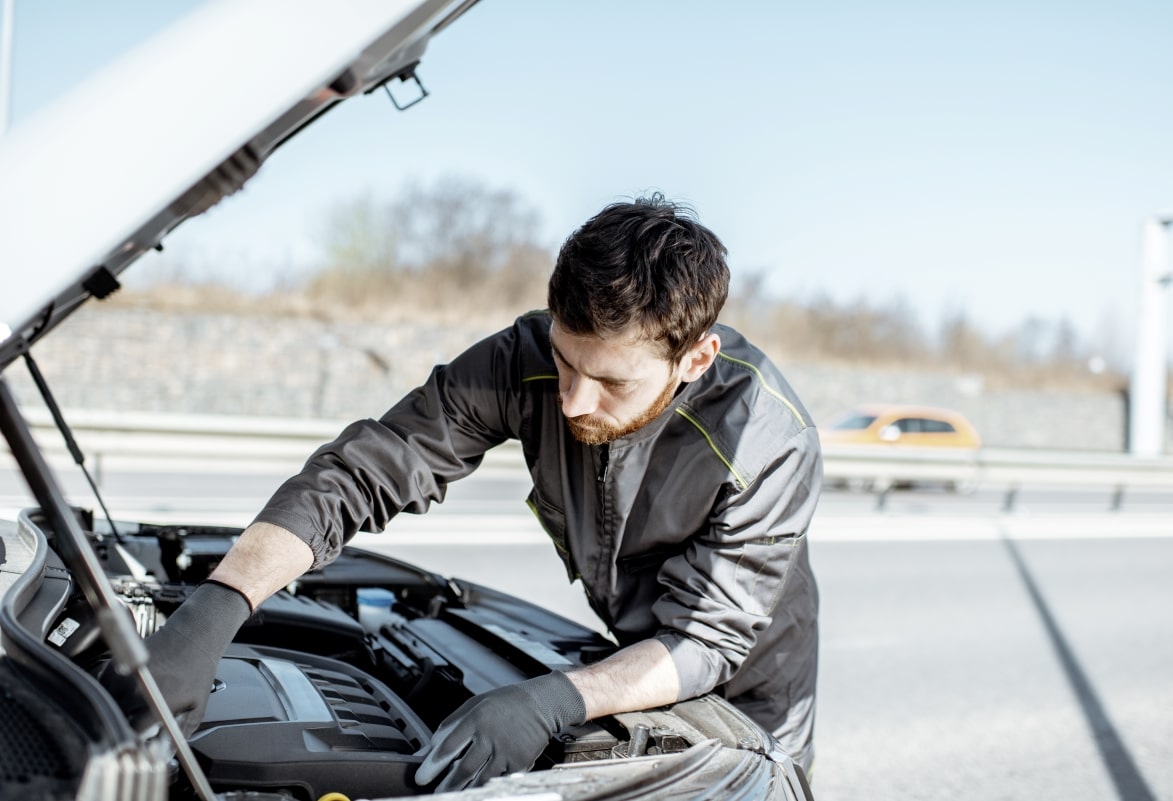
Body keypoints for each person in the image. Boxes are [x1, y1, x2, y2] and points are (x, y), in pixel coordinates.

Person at [115, 194, 822, 790]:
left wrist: (552, 700)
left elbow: (705, 639)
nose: (573, 401)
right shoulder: (524, 358)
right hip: (632, 651)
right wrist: (218, 604)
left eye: (611, 382)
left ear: (694, 358)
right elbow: (367, 468)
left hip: (747, 705)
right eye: (565, 360)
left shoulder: (763, 439)